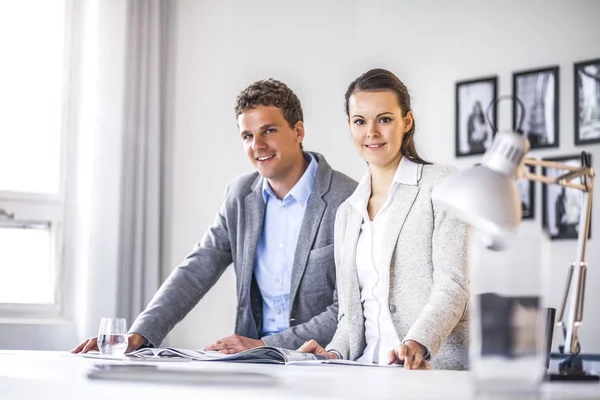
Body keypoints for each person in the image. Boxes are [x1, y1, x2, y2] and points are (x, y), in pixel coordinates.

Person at [72, 79, 357, 355]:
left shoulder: (347, 198)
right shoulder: (240, 195)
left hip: (320, 362)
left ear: (298, 131)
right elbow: (197, 269)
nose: (257, 145)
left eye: (268, 131)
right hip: (254, 366)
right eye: (247, 135)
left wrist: (268, 345)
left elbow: (347, 309)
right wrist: (141, 333)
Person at [299, 69, 470, 370]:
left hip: (429, 373)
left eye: (385, 119)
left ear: (407, 122)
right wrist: (333, 354)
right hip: (364, 372)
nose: (372, 132)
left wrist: (418, 342)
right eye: (360, 121)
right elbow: (350, 319)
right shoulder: (347, 213)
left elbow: (453, 285)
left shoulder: (442, 186)